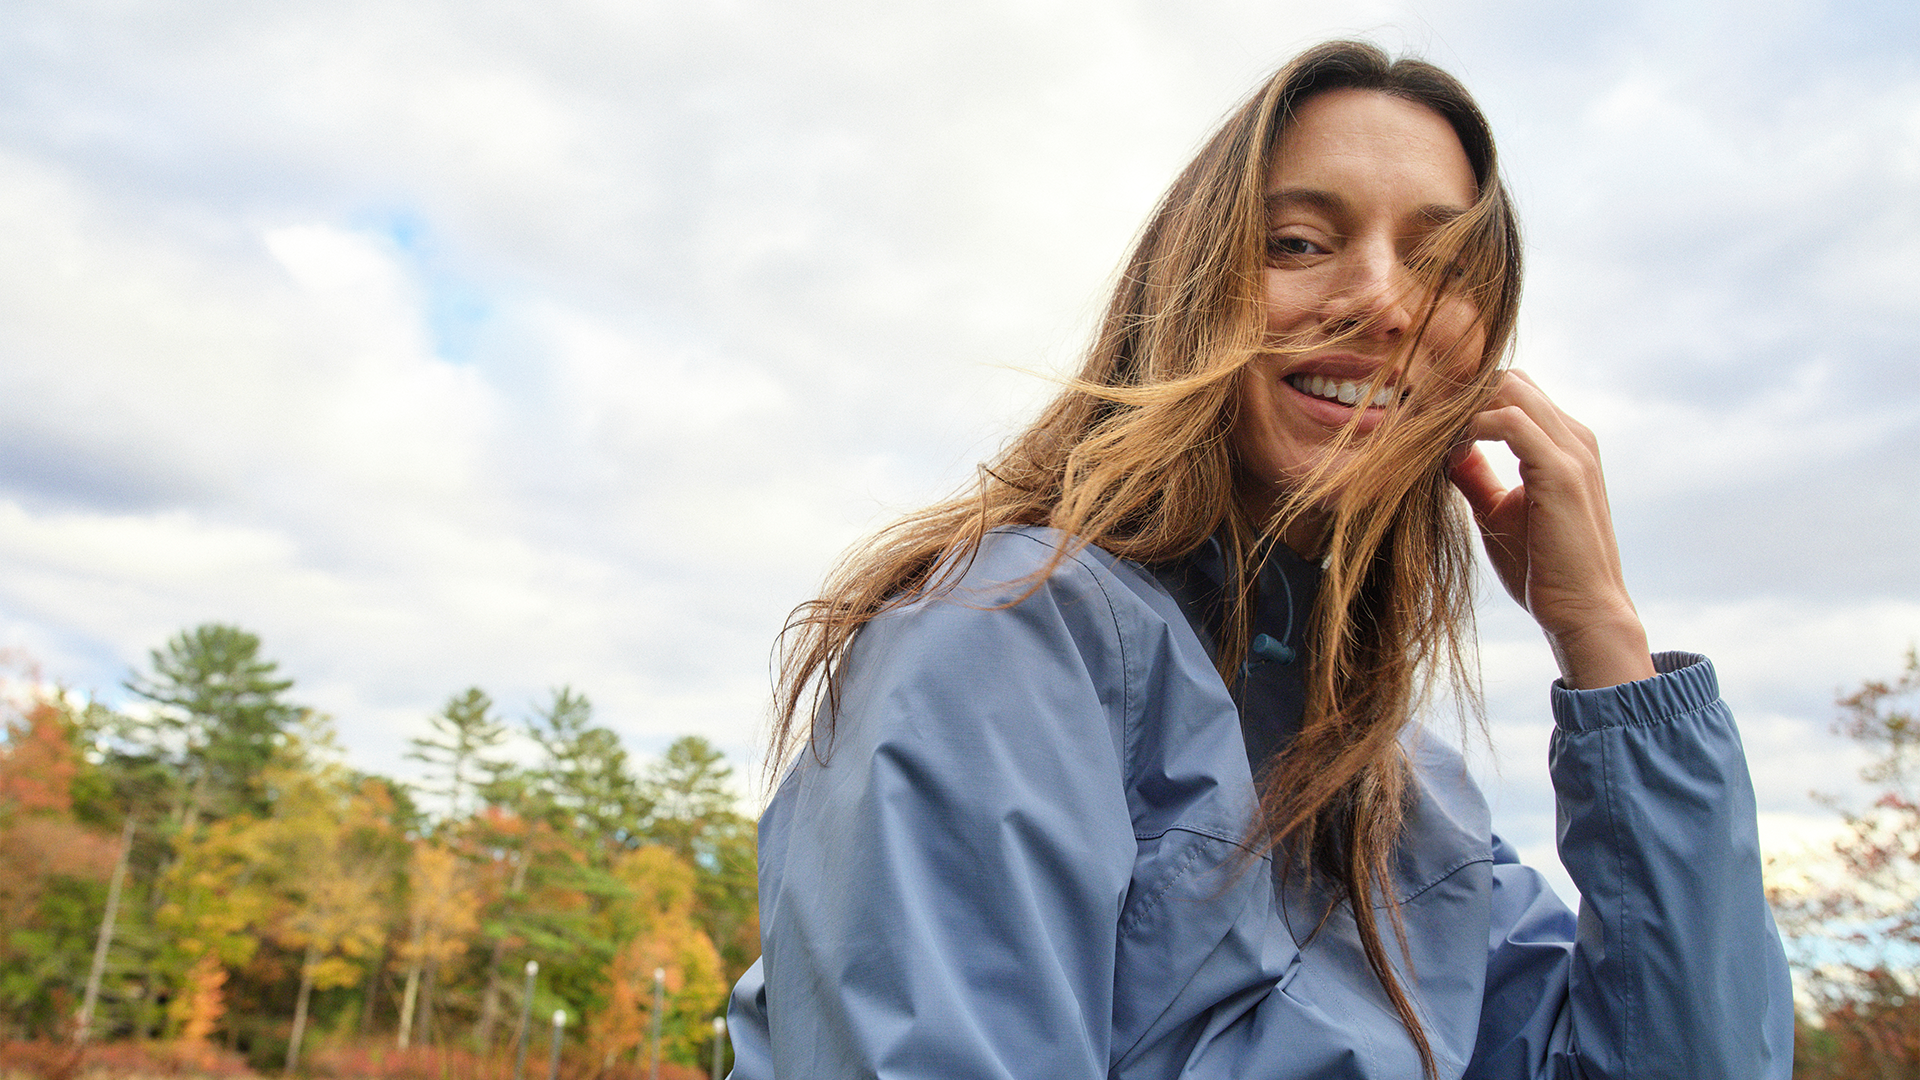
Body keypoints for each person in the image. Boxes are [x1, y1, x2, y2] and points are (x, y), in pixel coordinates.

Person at [724, 40, 1791, 1080]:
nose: (1384, 301)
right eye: (1297, 243)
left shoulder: (1411, 796)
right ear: (1188, 297)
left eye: (1440, 263)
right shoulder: (1008, 632)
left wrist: (1603, 637)